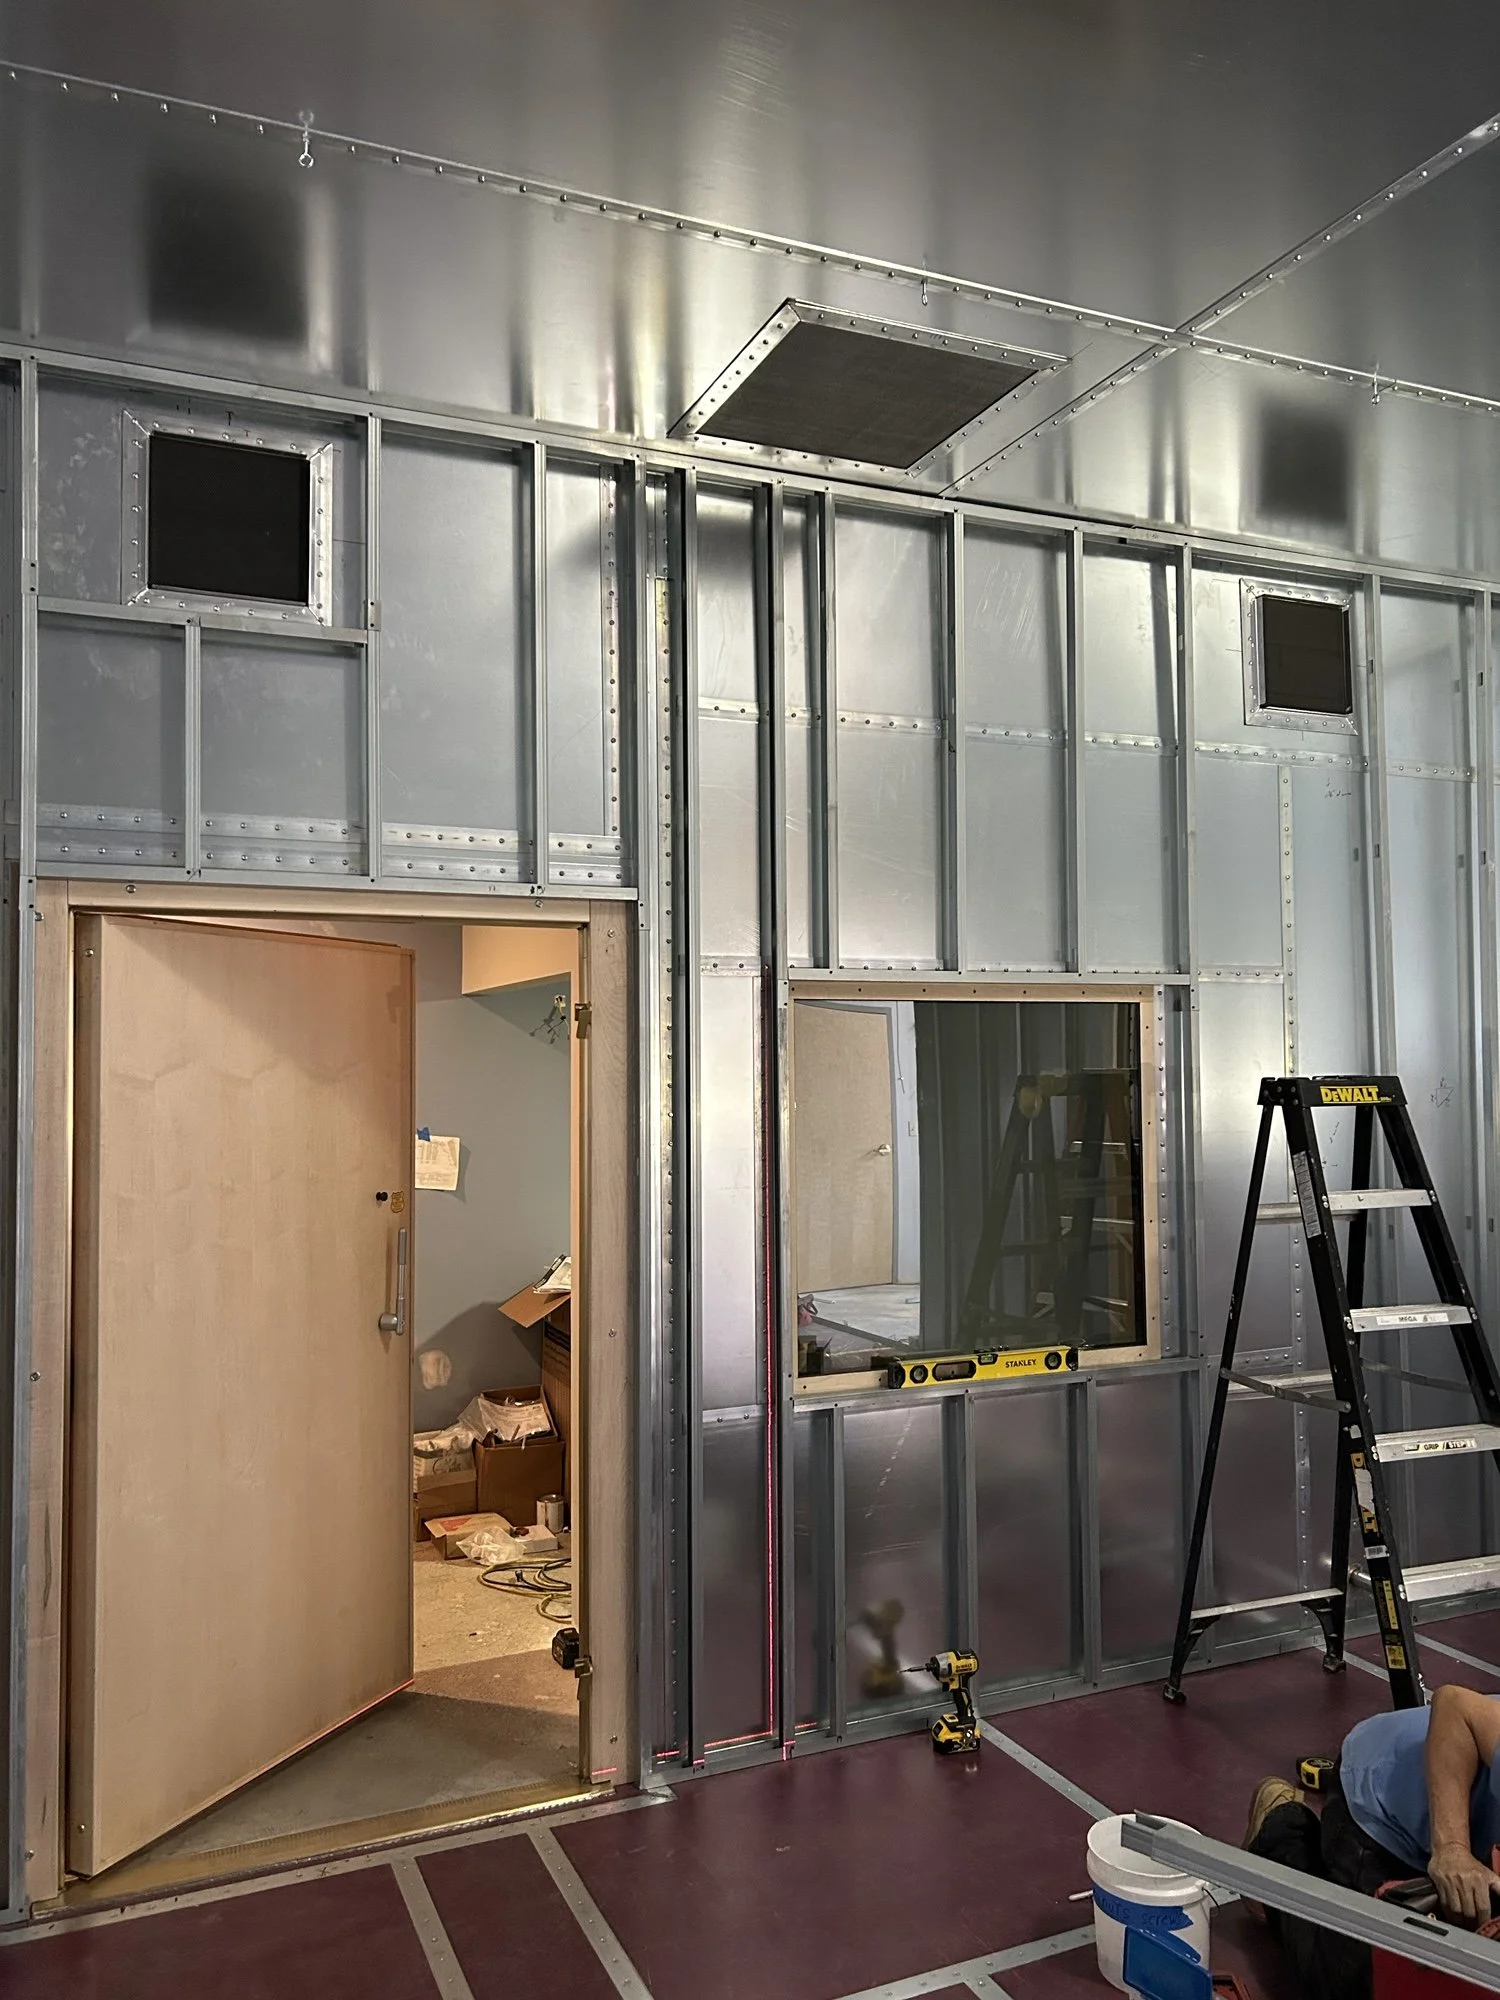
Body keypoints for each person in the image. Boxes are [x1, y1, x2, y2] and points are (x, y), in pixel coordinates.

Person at [1245, 1683, 1500, 2000]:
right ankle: (1282, 1829)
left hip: (1459, 1823)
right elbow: (1455, 1706)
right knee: (1347, 1985)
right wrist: (1453, 1850)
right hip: (1382, 1800)